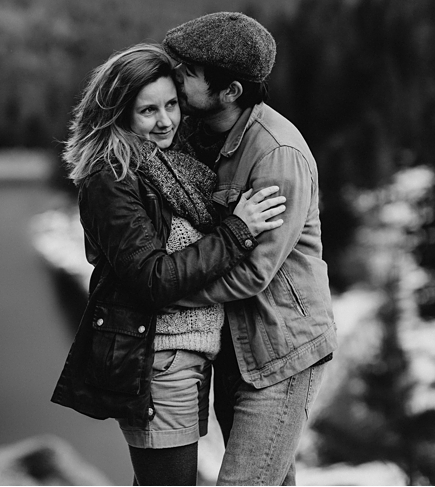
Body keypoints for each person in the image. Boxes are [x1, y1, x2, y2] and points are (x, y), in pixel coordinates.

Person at [51, 43, 287, 486]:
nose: (165, 121)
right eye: (147, 111)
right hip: (158, 361)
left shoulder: (173, 167)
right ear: (119, 114)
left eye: (172, 105)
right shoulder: (111, 176)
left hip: (187, 360)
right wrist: (236, 231)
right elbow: (152, 279)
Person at [163, 12, 336, 486]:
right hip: (235, 348)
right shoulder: (203, 134)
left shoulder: (277, 153)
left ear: (229, 91)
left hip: (281, 348)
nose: (175, 79)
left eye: (188, 74)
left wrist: (167, 292)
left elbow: (253, 273)